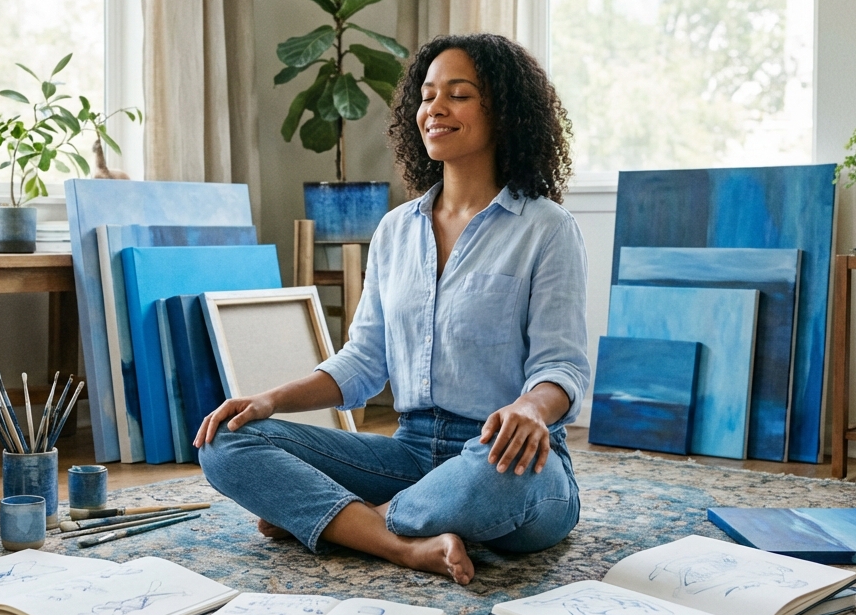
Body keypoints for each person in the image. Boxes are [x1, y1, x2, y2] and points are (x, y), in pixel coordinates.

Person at [195, 33, 589, 586]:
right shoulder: (395, 230)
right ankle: (404, 545)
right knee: (226, 440)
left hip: (503, 457)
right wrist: (269, 400)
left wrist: (529, 408)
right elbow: (363, 361)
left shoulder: (547, 229)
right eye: (427, 96)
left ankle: (350, 522)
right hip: (410, 455)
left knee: (506, 480)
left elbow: (561, 367)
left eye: (458, 95)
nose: (435, 109)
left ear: (504, 112)